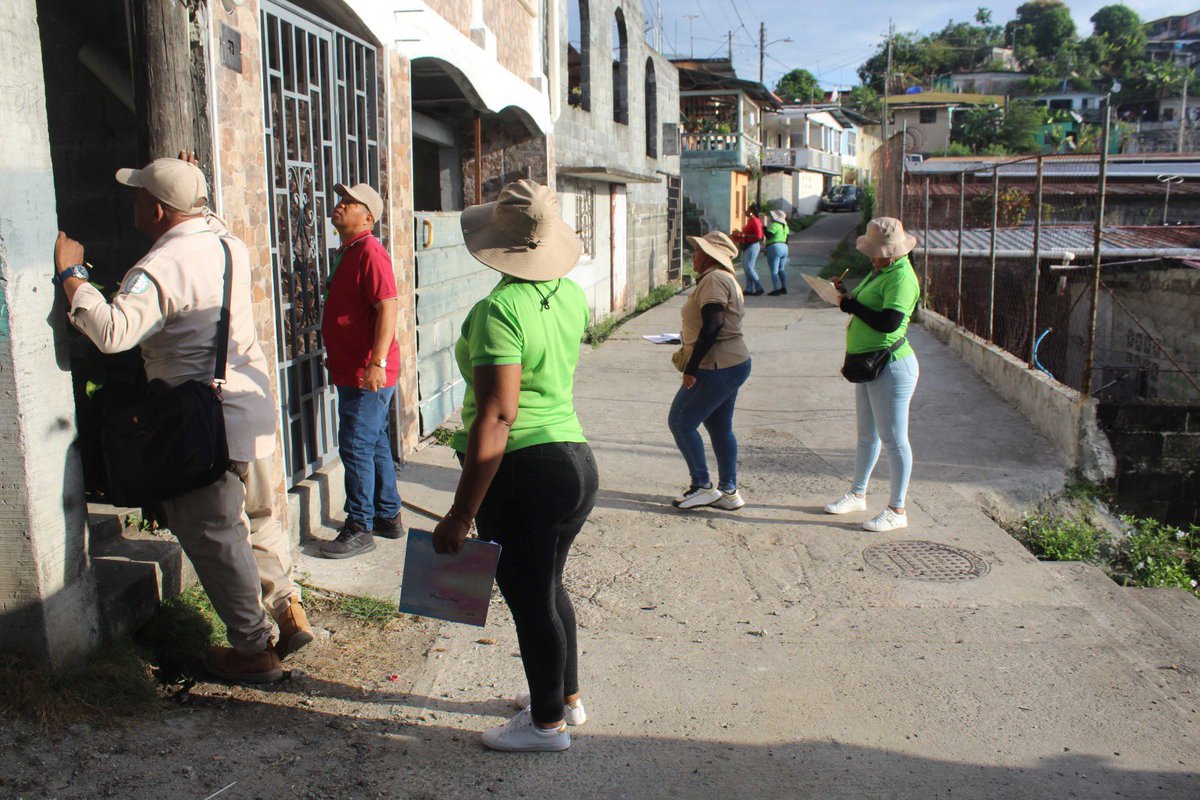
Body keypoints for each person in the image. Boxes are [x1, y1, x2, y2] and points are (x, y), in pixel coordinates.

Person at [55, 155, 311, 682]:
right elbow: (199, 216)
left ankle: (252, 650)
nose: (133, 203)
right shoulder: (227, 243)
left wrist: (73, 276)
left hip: (200, 423)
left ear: (157, 208)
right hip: (248, 407)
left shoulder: (161, 265)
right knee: (259, 520)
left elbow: (113, 332)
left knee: (216, 537)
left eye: (139, 195)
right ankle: (288, 611)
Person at [432, 180, 598, 753]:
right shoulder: (569, 294)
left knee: (529, 599)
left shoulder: (498, 310)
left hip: (524, 473)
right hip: (574, 461)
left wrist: (461, 512)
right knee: (548, 587)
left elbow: (498, 416)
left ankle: (545, 725)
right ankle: (565, 699)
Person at [319, 182, 406, 559]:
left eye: (349, 203)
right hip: (353, 368)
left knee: (355, 443)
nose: (340, 205)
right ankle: (387, 514)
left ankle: (359, 524)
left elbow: (388, 306)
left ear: (367, 217)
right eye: (340, 200)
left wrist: (377, 362)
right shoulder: (349, 251)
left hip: (369, 370)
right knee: (373, 442)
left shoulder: (370, 250)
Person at [825, 217, 921, 532]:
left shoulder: (901, 277)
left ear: (891, 251)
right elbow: (871, 308)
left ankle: (897, 509)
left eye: (876, 252)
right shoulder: (882, 271)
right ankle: (857, 493)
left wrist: (852, 306)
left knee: (894, 440)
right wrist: (846, 296)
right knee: (867, 435)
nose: (871, 257)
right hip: (870, 364)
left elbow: (889, 323)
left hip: (891, 366)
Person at [668, 231, 752, 511]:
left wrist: (691, 368)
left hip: (716, 365)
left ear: (710, 256)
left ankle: (702, 486)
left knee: (681, 422)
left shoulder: (715, 279)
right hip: (732, 362)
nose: (694, 254)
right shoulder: (723, 278)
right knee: (719, 427)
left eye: (699, 250)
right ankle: (728, 490)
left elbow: (713, 325)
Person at [730, 207, 765, 295]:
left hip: (753, 245)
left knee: (749, 267)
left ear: (751, 212)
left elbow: (759, 236)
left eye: (747, 210)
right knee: (746, 268)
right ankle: (749, 288)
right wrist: (740, 234)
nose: (745, 212)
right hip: (747, 245)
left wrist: (743, 234)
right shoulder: (750, 221)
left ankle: (759, 287)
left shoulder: (755, 221)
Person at [764, 209, 790, 296]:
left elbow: (769, 235)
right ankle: (784, 288)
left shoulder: (774, 225)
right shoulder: (785, 227)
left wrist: (764, 228)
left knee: (774, 270)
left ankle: (775, 289)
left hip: (774, 247)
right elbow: (787, 239)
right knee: (781, 269)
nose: (771, 217)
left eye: (772, 216)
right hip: (784, 248)